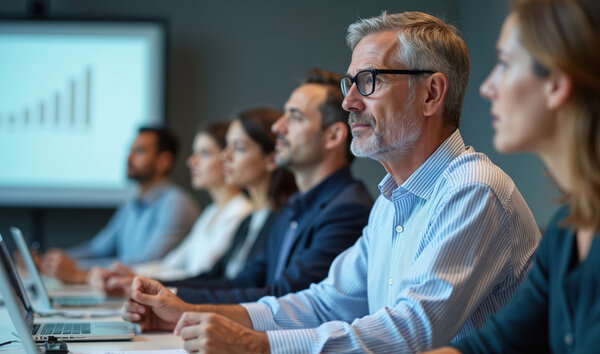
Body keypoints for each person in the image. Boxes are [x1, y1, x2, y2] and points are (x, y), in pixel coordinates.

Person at [125, 13, 541, 354]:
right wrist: (188, 312)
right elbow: (324, 303)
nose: (349, 102)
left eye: (370, 81)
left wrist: (259, 348)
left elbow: (414, 333)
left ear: (431, 94)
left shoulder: (472, 189)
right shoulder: (390, 202)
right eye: (350, 83)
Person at [396, 0, 600, 354]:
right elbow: (495, 346)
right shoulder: (569, 230)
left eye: (504, 64)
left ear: (556, 83)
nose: (488, 88)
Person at [122, 68, 372, 309]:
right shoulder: (292, 208)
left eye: (295, 117)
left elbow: (287, 296)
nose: (278, 128)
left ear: (333, 136)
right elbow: (243, 282)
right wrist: (163, 293)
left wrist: (171, 298)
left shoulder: (347, 209)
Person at [95, 108, 297, 296]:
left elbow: (241, 286)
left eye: (238, 148)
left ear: (272, 158)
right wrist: (144, 283)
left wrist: (158, 290)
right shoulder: (248, 220)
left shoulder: (262, 216)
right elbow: (212, 277)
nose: (225, 156)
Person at [40, 127, 200, 284]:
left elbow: (145, 264)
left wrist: (76, 270)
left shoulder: (176, 204)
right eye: (130, 151)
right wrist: (51, 262)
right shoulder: (131, 205)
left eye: (139, 151)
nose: (129, 159)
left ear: (163, 161)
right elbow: (96, 249)